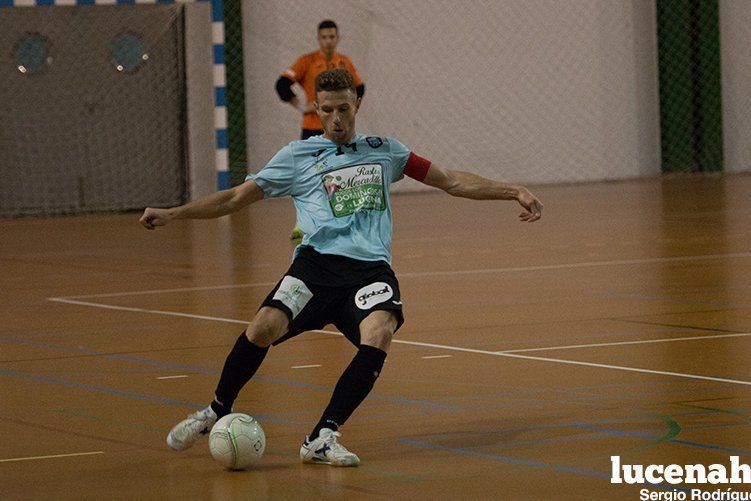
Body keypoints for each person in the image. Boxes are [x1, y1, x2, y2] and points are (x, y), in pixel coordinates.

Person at [140, 68, 542, 467]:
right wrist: (176, 214)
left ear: (357, 106)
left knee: (380, 330)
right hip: (315, 268)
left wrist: (514, 191)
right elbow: (234, 199)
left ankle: (323, 435)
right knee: (262, 327)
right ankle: (214, 410)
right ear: (316, 108)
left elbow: (451, 181)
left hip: (370, 270)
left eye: (344, 110)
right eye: (328, 110)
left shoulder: (386, 150)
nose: (336, 119)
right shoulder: (297, 156)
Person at [275, 19, 365, 243]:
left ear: (338, 38)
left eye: (332, 37)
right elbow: (282, 84)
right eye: (324, 37)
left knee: (340, 176)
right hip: (312, 130)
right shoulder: (307, 61)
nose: (328, 41)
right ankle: (303, 223)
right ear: (318, 39)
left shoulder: (344, 62)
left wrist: (349, 114)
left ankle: (340, 221)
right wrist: (301, 106)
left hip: (339, 131)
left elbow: (360, 87)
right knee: (310, 178)